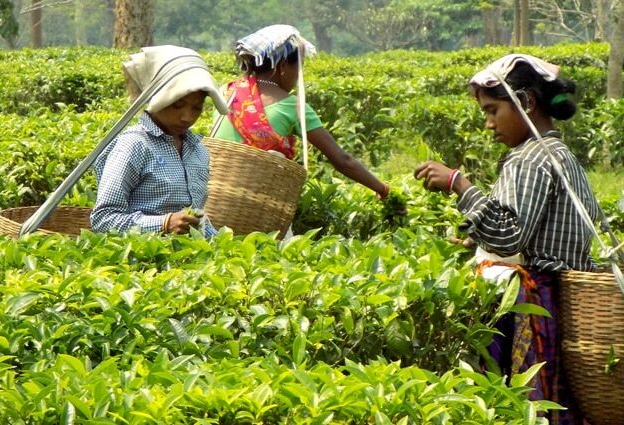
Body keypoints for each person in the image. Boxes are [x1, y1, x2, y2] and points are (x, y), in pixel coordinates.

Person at [414, 54, 598, 424]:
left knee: (520, 405)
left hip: (530, 305)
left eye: (492, 110)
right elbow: (538, 232)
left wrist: (459, 185)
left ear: (526, 103)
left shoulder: (529, 159)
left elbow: (509, 235)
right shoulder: (560, 154)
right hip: (557, 300)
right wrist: (476, 244)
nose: (488, 123)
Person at [212, 24, 392, 200]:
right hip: (259, 204)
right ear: (283, 66)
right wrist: (382, 189)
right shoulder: (293, 107)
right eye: (299, 66)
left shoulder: (225, 92)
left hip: (214, 194)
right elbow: (342, 160)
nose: (299, 75)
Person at [90, 45, 218, 237]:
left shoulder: (197, 150)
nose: (187, 117)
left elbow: (197, 220)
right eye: (177, 105)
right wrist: (163, 224)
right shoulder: (134, 145)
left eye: (197, 108)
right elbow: (103, 219)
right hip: (144, 260)